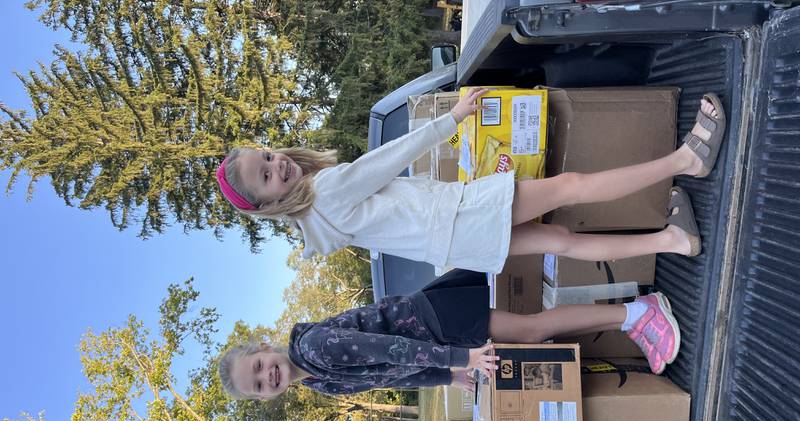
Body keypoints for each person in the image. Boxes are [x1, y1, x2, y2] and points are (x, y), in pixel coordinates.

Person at [216, 89, 725, 274]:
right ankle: (686, 160)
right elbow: (389, 159)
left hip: (460, 244)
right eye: (266, 175)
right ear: (267, 204)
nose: (277, 163)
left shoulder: (320, 225)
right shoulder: (324, 192)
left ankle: (673, 241)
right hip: (460, 215)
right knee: (569, 186)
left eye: (267, 154)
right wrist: (452, 118)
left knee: (560, 241)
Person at [218, 269, 681, 399]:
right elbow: (391, 375)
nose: (268, 376)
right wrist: (447, 378)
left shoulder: (314, 348)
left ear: (263, 348)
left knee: (534, 329)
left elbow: (392, 346)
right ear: (265, 397)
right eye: (258, 385)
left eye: (258, 366)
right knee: (532, 333)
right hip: (436, 340)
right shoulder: (320, 382)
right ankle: (630, 317)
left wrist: (461, 361)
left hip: (432, 322)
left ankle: (636, 313)